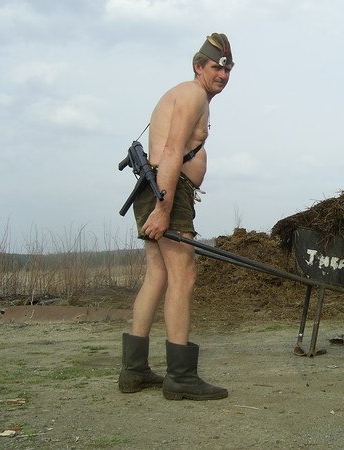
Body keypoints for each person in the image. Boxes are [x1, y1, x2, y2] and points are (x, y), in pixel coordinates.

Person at [118, 33, 234, 401]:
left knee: (158, 275)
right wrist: (164, 208)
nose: (223, 74)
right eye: (216, 67)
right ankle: (181, 377)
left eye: (228, 69)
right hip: (167, 190)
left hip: (157, 187)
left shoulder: (190, 95)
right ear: (198, 66)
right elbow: (171, 150)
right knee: (183, 275)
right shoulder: (192, 94)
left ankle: (134, 371)